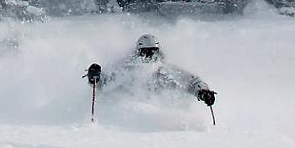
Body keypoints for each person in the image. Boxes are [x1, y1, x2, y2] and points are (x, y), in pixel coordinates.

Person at [85, 33, 216, 107]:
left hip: (163, 113)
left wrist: (203, 92)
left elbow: (192, 82)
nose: (149, 56)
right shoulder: (126, 69)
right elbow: (104, 84)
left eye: (153, 52)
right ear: (138, 52)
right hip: (129, 114)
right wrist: (94, 77)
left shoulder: (167, 69)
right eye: (145, 52)